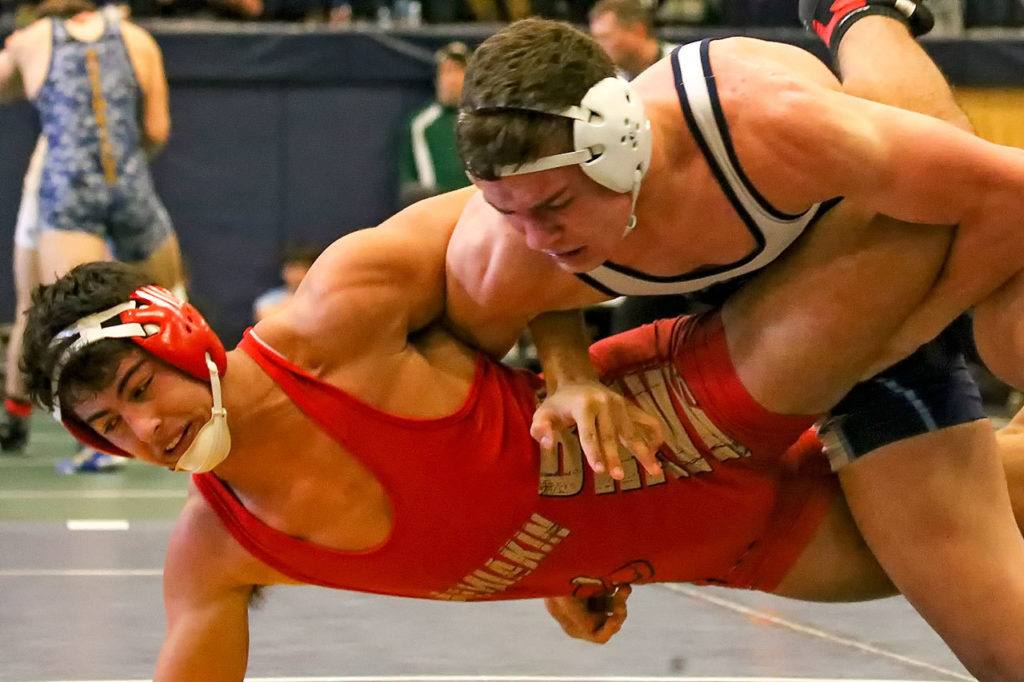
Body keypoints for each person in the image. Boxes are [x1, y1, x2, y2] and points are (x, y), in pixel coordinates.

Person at [19, 206, 1024, 678]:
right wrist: (554, 568)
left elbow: (531, 215)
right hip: (750, 542)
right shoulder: (217, 552)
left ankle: (859, 16)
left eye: (139, 389)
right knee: (994, 512)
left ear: (173, 327)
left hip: (705, 397)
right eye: (111, 424)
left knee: (926, 222)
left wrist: (573, 368)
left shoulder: (336, 313)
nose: (146, 429)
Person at [449, 12, 1024, 679]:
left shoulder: (769, 125)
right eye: (507, 210)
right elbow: (496, 387)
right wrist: (570, 376)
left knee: (998, 304)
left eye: (553, 205)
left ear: (620, 143)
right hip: (813, 345)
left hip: (893, 230)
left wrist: (911, 324)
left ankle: (858, 15)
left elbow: (1010, 194)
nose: (537, 236)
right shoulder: (501, 253)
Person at [0, 0, 186, 466]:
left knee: (72, 319)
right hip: (129, 184)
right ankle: (203, 408)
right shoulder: (137, 39)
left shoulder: (32, 39)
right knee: (169, 301)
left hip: (68, 188)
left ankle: (99, 439)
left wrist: (24, 69)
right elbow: (157, 129)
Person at [397, 41, 472, 209]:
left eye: (459, 70)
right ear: (437, 78)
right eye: (446, 71)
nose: (452, 79)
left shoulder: (484, 119)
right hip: (437, 212)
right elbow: (411, 186)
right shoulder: (420, 124)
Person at [589, 0, 675, 82]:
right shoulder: (609, 80)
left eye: (606, 37)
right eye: (596, 38)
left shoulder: (684, 63)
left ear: (639, 31)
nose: (598, 46)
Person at [252, 243, 320, 323]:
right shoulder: (268, 300)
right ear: (284, 270)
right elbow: (265, 320)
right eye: (293, 268)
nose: (297, 274)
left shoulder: (322, 297)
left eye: (302, 268)